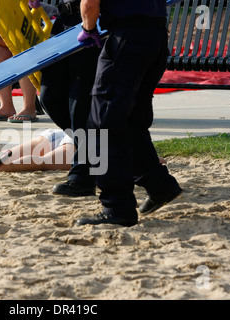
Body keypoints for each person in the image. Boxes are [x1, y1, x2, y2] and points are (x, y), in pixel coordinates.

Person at [74, 0, 182, 227]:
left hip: (125, 38)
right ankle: (158, 184)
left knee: (102, 125)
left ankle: (117, 206)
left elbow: (90, 4)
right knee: (131, 120)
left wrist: (88, 29)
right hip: (155, 35)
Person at [29, 0, 101, 197]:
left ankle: (82, 175)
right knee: (49, 96)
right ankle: (97, 153)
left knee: (80, 102)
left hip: (90, 17)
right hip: (64, 19)